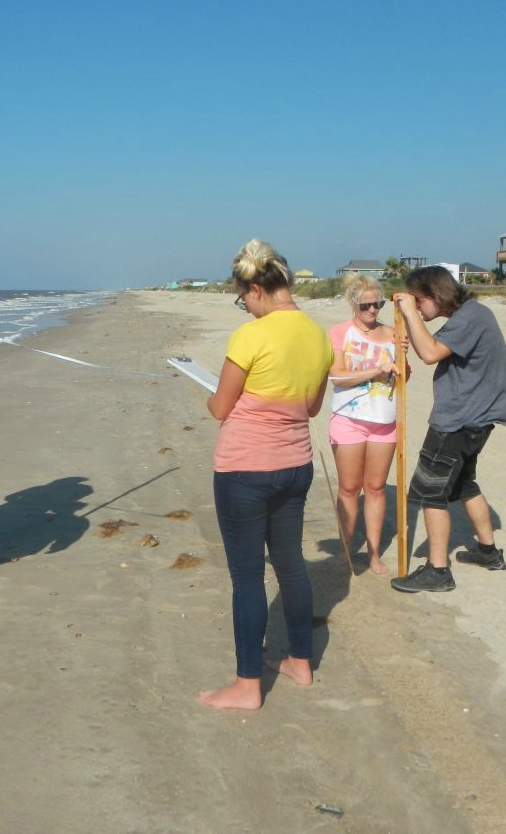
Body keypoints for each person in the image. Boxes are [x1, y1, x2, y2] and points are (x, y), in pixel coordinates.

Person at [199, 239, 333, 710]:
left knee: (247, 576)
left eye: (242, 299)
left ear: (255, 288)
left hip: (246, 469)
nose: (245, 307)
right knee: (291, 564)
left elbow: (220, 407)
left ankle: (247, 685)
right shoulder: (318, 335)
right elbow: (312, 406)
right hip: (295, 465)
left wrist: (214, 399)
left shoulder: (252, 336)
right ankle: (300, 660)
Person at [390, 266, 506, 593]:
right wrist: (413, 323)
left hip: (459, 419)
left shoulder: (470, 318)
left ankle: (437, 570)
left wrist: (408, 314)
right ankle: (488, 552)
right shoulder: (472, 315)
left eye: (419, 301)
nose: (417, 307)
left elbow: (429, 353)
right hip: (477, 418)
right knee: (462, 483)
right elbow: (430, 347)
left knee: (431, 491)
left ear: (434, 295)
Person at [327, 274, 408, 575]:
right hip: (349, 419)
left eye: (378, 304)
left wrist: (403, 360)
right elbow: (337, 376)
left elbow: (405, 378)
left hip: (384, 422)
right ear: (352, 303)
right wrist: (375, 371)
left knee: (375, 488)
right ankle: (346, 547)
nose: (373, 311)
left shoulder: (393, 334)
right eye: (366, 306)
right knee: (349, 487)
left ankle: (374, 553)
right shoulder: (339, 333)